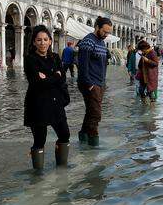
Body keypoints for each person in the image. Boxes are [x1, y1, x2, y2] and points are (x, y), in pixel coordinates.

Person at [24, 25, 70, 171]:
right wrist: (55, 75)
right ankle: (38, 176)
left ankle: (61, 170)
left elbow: (62, 78)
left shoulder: (56, 57)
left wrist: (51, 77)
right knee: (40, 139)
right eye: (39, 40)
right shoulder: (30, 59)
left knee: (65, 134)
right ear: (34, 43)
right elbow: (37, 83)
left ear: (50, 41)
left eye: (45, 39)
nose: (42, 43)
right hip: (37, 104)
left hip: (56, 103)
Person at [77, 16, 112, 147]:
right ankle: (93, 143)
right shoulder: (88, 42)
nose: (106, 35)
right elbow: (82, 65)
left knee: (91, 111)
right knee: (96, 114)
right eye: (105, 31)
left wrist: (102, 84)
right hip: (90, 83)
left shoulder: (101, 42)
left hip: (99, 83)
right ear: (97, 27)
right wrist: (90, 85)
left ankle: (83, 136)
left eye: (108, 32)